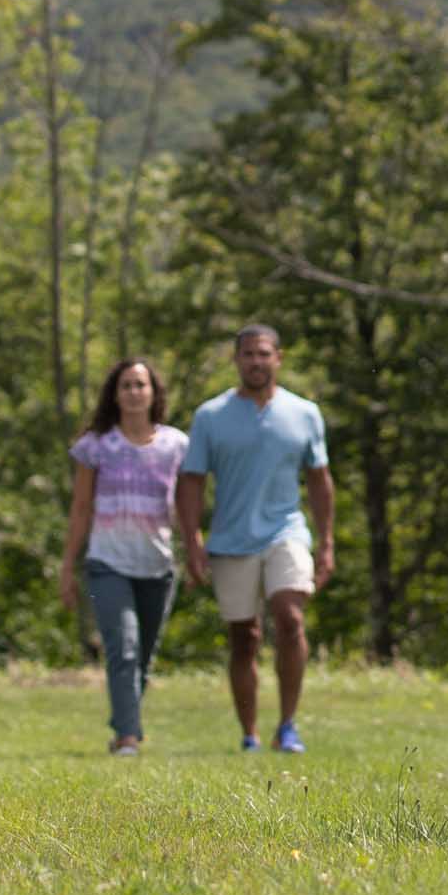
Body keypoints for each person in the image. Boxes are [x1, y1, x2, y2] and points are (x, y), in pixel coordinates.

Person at [173, 322, 333, 754]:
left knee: (290, 616)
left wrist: (327, 541)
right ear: (236, 360)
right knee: (244, 637)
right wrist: (192, 541)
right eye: (248, 354)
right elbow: (190, 481)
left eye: (264, 354)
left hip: (287, 530)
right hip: (231, 538)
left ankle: (288, 725)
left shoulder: (304, 413)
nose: (256, 362)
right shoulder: (211, 416)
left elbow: (319, 480)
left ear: (278, 358)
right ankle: (250, 734)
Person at [61, 355, 184, 755]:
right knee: (124, 648)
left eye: (140, 384)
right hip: (107, 563)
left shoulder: (176, 445)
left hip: (157, 564)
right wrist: (68, 567)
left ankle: (122, 726)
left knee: (143, 657)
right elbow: (80, 509)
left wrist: (198, 553)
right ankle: (129, 738)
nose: (134, 392)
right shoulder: (96, 446)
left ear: (153, 393)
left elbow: (183, 509)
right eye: (126, 385)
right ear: (115, 395)